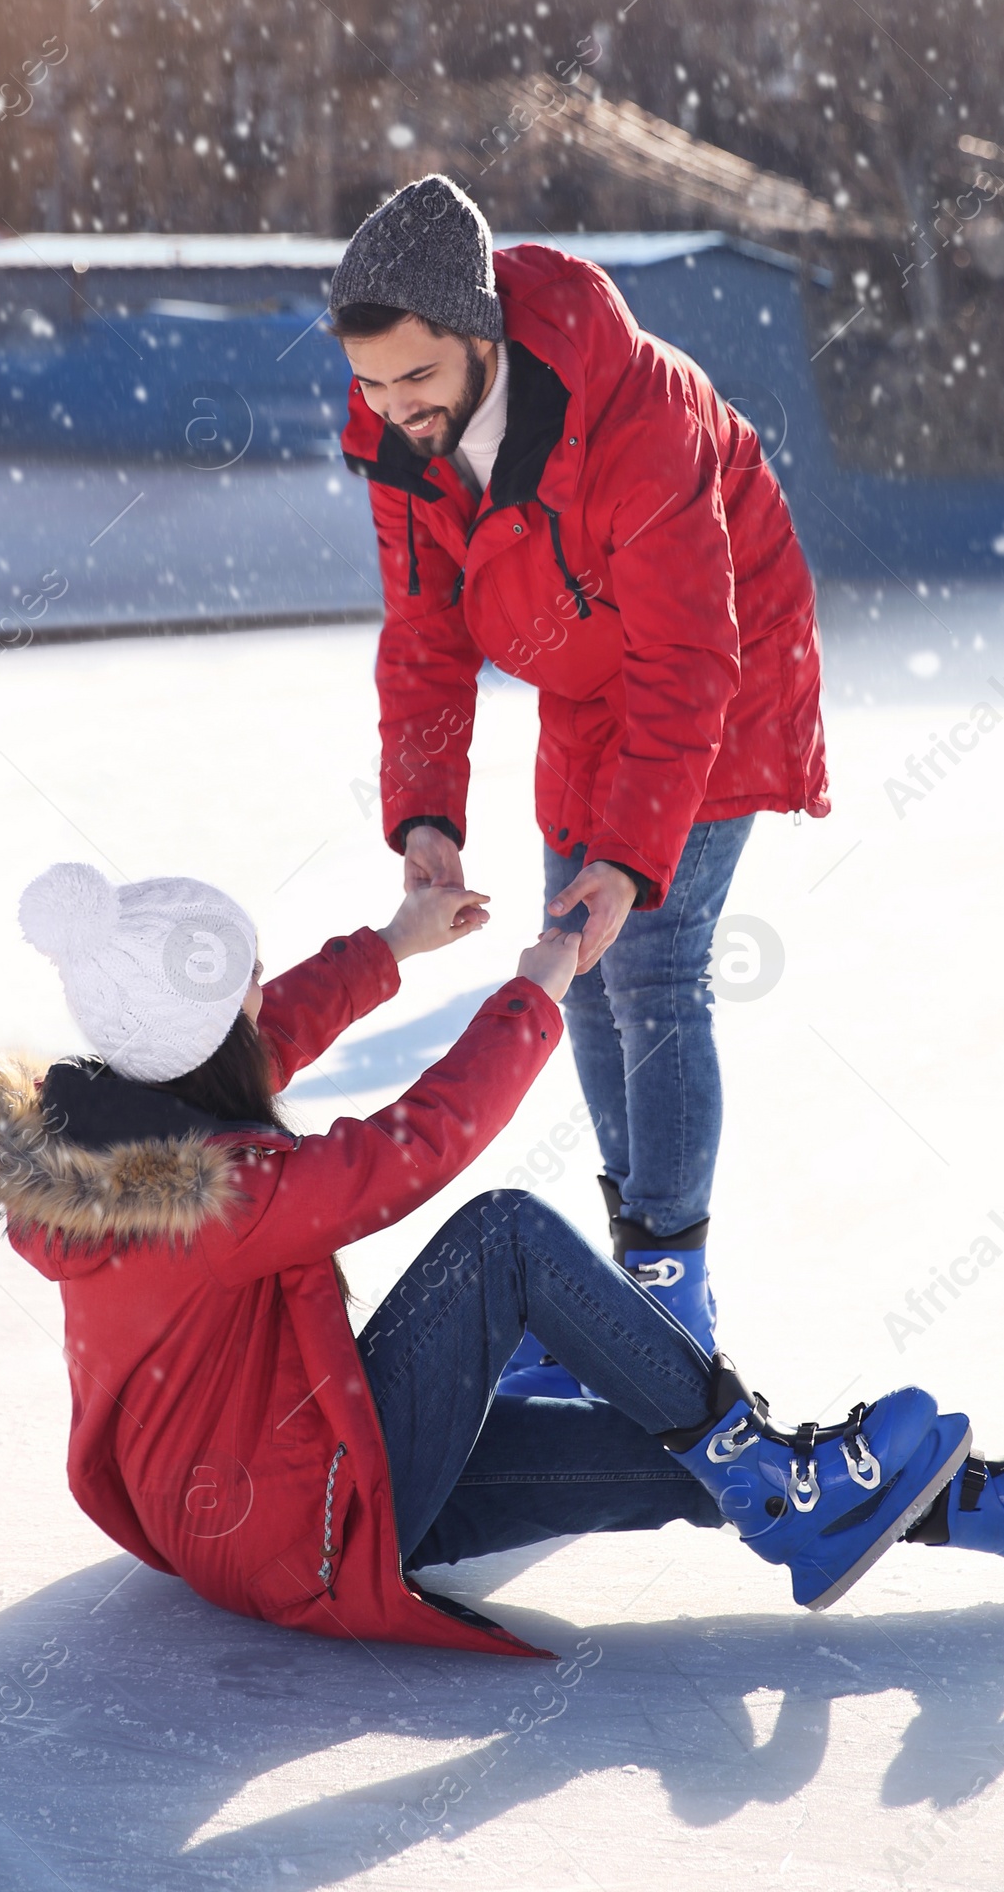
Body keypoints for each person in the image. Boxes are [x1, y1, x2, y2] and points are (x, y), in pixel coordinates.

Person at [0, 862, 1004, 1658]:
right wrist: (540, 987)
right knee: (505, 1238)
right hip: (292, 1514)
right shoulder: (210, 1197)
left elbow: (257, 1040)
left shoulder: (117, 1122)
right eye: (248, 981)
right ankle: (788, 1490)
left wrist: (391, 944)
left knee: (673, 1450)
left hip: (277, 1490)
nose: (269, 991)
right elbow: (410, 1149)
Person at [330, 173, 830, 1389]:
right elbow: (426, 635)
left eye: (417, 379)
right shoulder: (407, 449)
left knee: (648, 957)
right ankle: (630, 1303)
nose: (396, 409)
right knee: (585, 974)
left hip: (722, 669)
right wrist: (428, 812)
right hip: (591, 675)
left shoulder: (635, 414)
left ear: (480, 334)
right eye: (372, 383)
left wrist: (625, 859)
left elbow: (690, 655)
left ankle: (671, 1308)